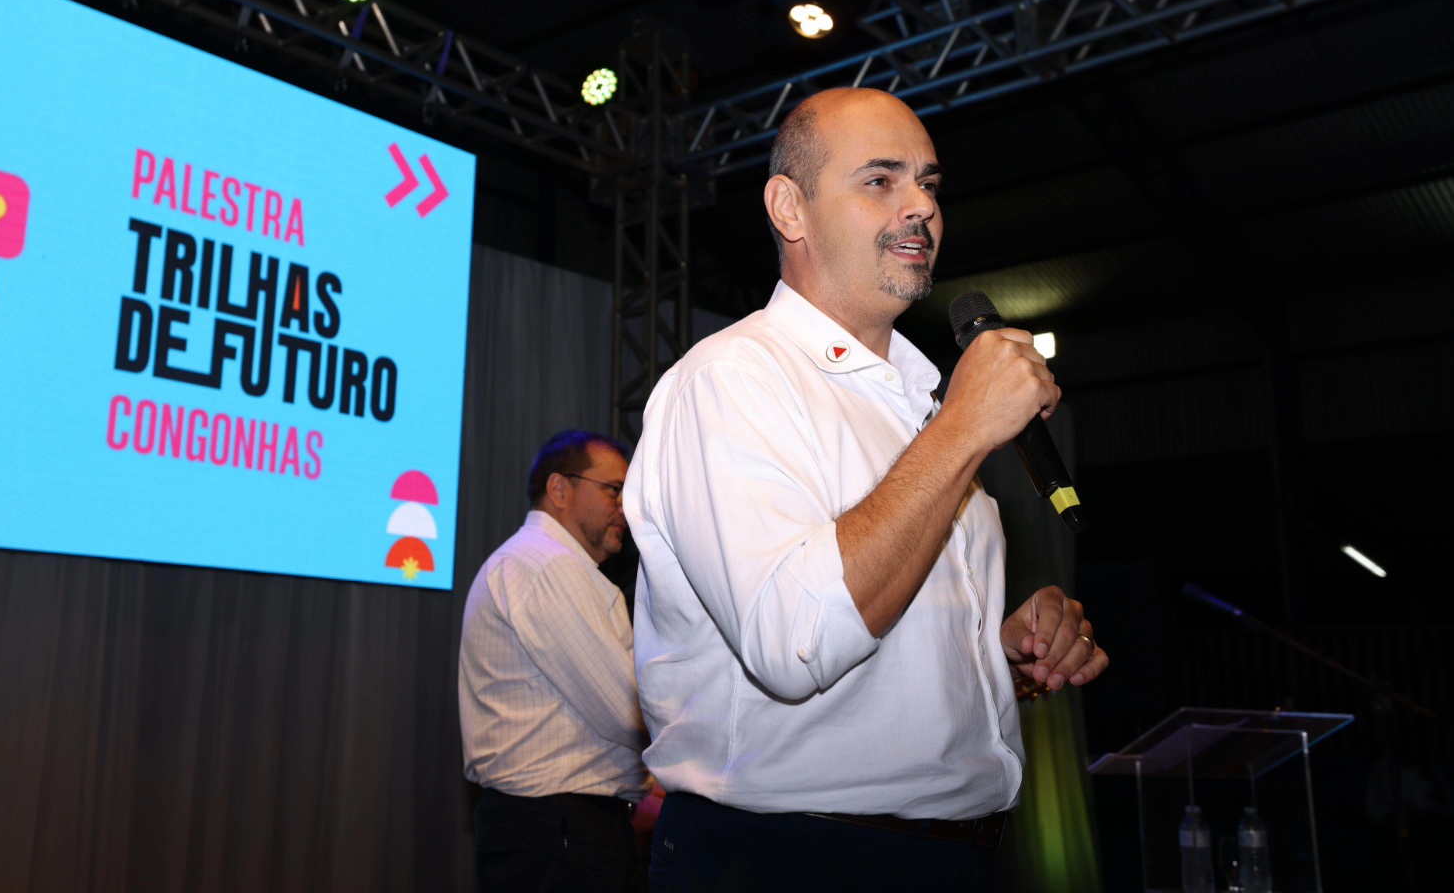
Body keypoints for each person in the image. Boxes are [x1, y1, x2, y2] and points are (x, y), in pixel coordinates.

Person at [624, 88, 1110, 892]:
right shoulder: (731, 380)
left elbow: (878, 643)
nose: (922, 206)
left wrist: (998, 653)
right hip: (789, 859)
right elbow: (795, 640)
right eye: (881, 180)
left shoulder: (920, 403)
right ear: (790, 208)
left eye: (929, 183)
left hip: (952, 856)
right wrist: (963, 429)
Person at [460, 430, 652, 892]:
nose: (625, 508)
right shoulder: (551, 565)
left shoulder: (533, 562)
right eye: (613, 490)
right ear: (559, 489)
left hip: (548, 827)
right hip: (559, 831)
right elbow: (625, 710)